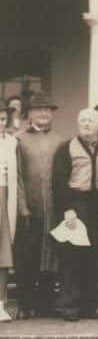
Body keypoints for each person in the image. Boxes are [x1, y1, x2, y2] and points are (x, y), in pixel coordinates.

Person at [52, 108, 98, 321]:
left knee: (96, 256)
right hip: (76, 204)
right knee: (72, 256)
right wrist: (67, 209)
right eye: (83, 120)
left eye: (90, 120)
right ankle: (68, 306)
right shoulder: (66, 148)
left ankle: (90, 306)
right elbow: (59, 182)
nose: (86, 124)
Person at [14, 92, 64, 319]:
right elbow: (16, 177)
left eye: (47, 109)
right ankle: (25, 304)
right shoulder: (19, 140)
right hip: (29, 210)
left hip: (53, 210)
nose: (44, 113)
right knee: (27, 256)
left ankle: (45, 304)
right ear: (29, 114)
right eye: (38, 109)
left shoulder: (60, 141)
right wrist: (22, 206)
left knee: (52, 258)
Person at [0, 100, 27, 322]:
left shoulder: (12, 142)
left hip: (5, 198)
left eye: (1, 119)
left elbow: (17, 177)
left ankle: (1, 303)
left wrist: (20, 204)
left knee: (4, 252)